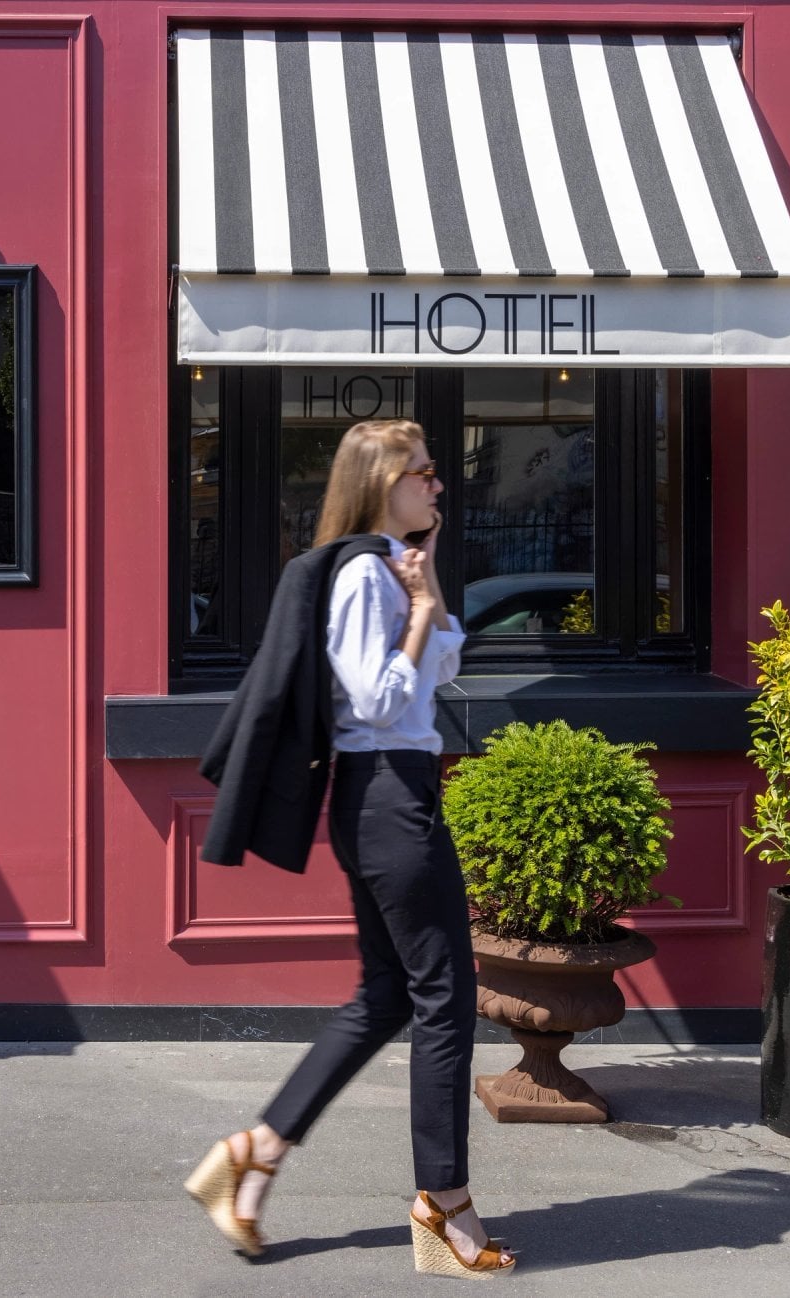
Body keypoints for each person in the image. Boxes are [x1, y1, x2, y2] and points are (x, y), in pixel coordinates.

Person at [184, 419, 516, 1278]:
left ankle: (256, 1151)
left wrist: (430, 588)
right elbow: (377, 699)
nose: (439, 485)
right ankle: (445, 1205)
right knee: (446, 996)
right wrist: (414, 617)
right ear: (382, 483)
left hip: (379, 799)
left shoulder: (387, 569)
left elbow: (440, 669)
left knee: (385, 996)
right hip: (391, 799)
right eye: (425, 472)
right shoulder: (365, 576)